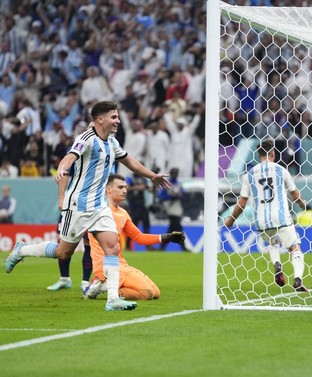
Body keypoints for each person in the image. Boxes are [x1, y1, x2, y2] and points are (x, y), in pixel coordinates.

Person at [4, 100, 171, 311]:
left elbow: (130, 162)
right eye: (114, 117)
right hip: (78, 205)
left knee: (113, 247)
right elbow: (70, 157)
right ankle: (22, 250)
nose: (118, 121)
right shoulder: (86, 139)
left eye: (117, 117)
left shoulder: (112, 142)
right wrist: (62, 169)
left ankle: (112, 300)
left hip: (100, 205)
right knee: (63, 253)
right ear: (100, 119)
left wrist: (151, 175)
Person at [83, 174, 185, 300]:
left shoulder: (123, 213)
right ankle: (102, 285)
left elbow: (138, 237)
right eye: (120, 187)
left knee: (155, 293)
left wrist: (167, 237)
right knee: (147, 293)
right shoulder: (99, 212)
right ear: (108, 189)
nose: (124, 190)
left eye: (125, 187)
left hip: (121, 265)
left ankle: (104, 286)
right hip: (105, 266)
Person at [224, 140, 309, 292]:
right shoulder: (280, 170)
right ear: (273, 154)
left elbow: (242, 202)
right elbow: (295, 193)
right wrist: (303, 204)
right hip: (281, 217)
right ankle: (297, 279)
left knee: (273, 242)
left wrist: (231, 220)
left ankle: (277, 264)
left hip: (261, 220)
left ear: (259, 155)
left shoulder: (249, 175)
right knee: (294, 247)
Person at [157, 167, 187, 251]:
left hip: (177, 206)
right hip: (169, 205)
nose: (175, 175)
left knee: (173, 227)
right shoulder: (166, 183)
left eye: (176, 173)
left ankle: (162, 246)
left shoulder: (179, 183)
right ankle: (183, 246)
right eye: (173, 173)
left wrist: (180, 195)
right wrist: (171, 196)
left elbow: (184, 194)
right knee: (177, 226)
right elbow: (161, 196)